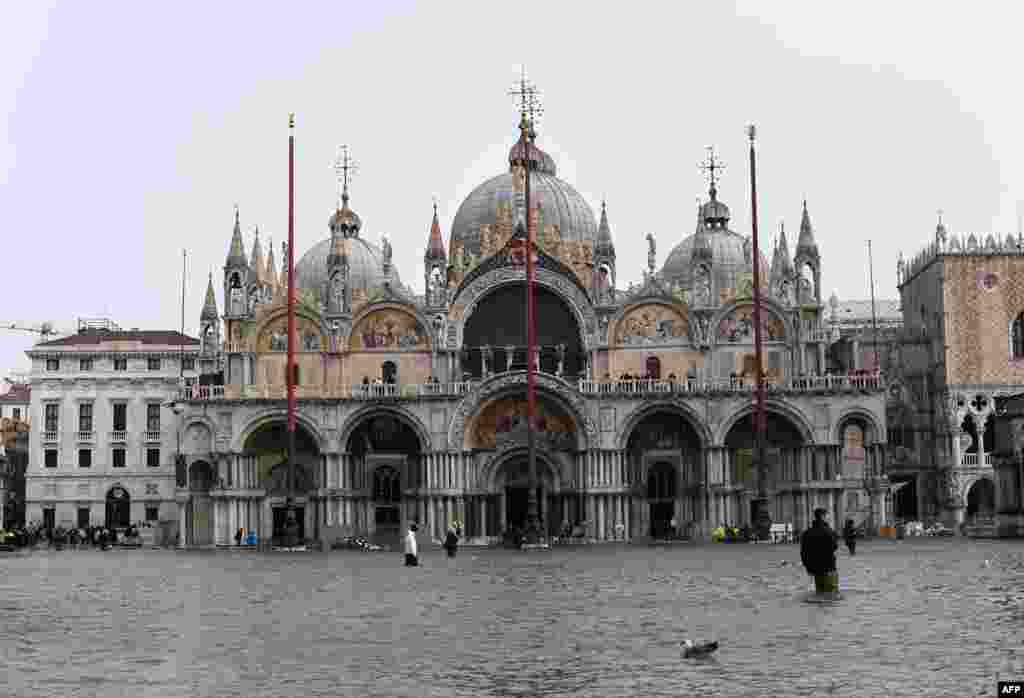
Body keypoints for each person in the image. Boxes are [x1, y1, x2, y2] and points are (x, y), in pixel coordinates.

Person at [801, 508, 839, 593]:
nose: (828, 517)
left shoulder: (807, 533)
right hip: (829, 567)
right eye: (827, 515)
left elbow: (803, 553)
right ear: (823, 516)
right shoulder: (828, 531)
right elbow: (835, 546)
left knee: (820, 592)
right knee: (832, 594)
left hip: (815, 569)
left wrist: (808, 567)